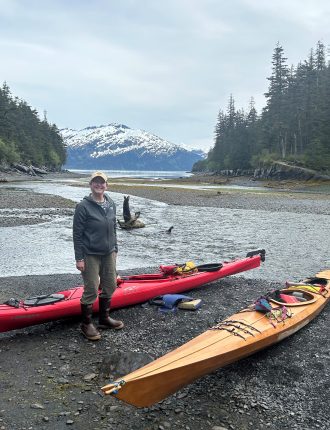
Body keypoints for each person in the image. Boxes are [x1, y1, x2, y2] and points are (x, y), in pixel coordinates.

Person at [73, 171, 124, 341]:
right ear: (90, 184)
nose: (99, 185)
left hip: (109, 252)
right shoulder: (83, 206)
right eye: (95, 182)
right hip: (90, 254)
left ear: (106, 185)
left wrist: (115, 248)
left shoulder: (110, 203)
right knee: (91, 289)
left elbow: (114, 227)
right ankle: (86, 324)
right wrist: (79, 258)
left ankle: (103, 319)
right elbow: (77, 234)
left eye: (102, 182)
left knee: (110, 285)